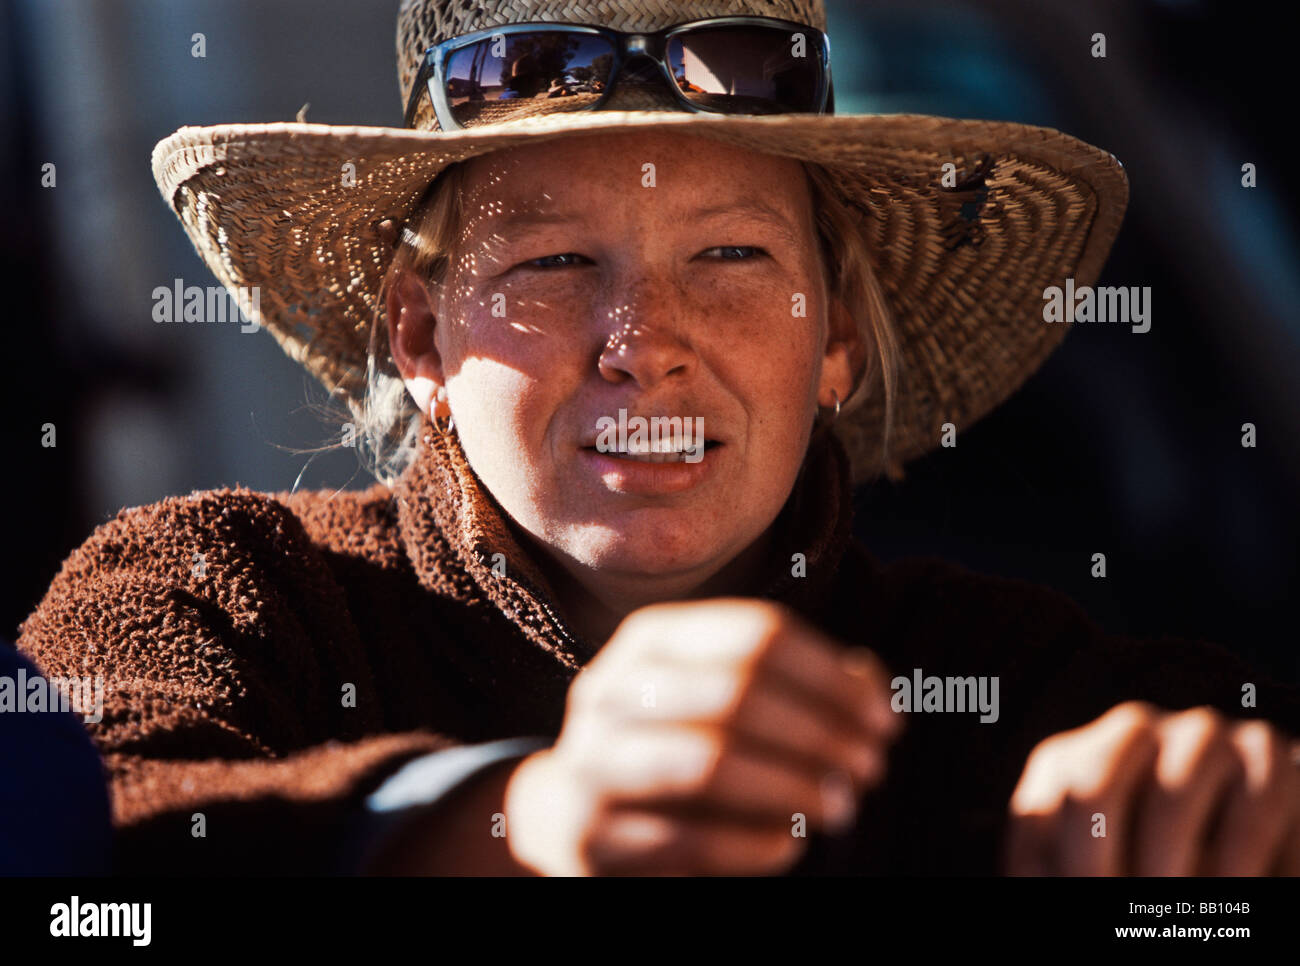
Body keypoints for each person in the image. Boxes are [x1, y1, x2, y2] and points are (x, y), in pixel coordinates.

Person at [16, 0, 1300, 876]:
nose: (644, 339)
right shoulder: (214, 596)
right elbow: (89, 874)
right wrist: (522, 823)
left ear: (837, 335)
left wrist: (1196, 837)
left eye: (733, 256)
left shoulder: (1006, 681)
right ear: (418, 341)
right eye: (555, 260)